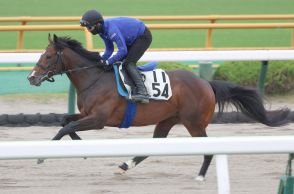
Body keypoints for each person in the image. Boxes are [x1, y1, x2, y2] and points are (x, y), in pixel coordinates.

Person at [80, 9, 152, 103]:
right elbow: (109, 50)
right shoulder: (102, 31)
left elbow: (123, 50)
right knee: (118, 63)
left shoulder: (111, 30)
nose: (88, 30)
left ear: (98, 24)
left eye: (89, 27)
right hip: (132, 39)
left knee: (129, 63)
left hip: (143, 36)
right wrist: (101, 60)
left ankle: (143, 93)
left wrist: (108, 61)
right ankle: (132, 88)